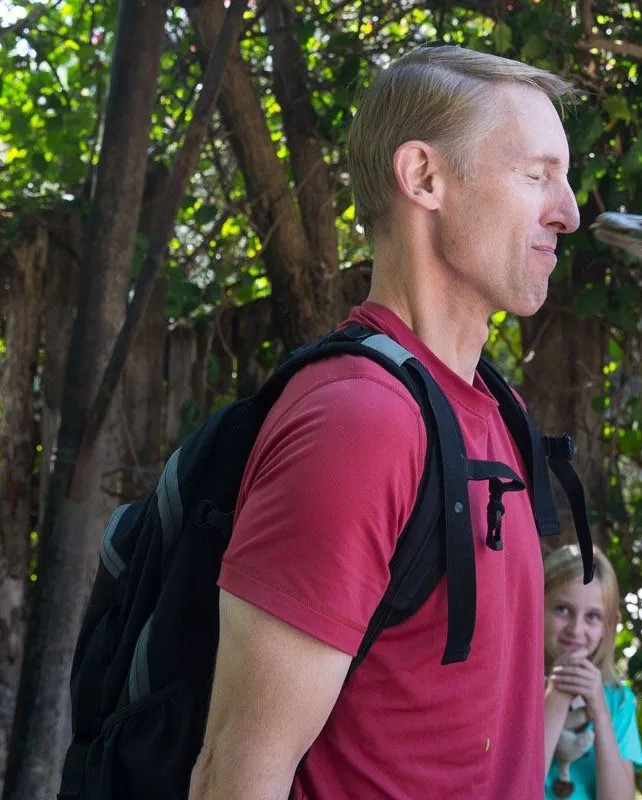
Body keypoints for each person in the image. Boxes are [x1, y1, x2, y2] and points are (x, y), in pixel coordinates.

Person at [187, 45, 581, 800]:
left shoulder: (500, 412)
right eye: (536, 176)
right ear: (423, 178)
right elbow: (237, 772)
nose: (566, 212)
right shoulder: (358, 425)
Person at [544, 545, 642, 799]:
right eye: (562, 609)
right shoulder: (510, 687)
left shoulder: (618, 701)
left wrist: (600, 712)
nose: (576, 630)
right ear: (536, 606)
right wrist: (556, 698)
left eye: (592, 616)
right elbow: (513, 788)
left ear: (609, 626)